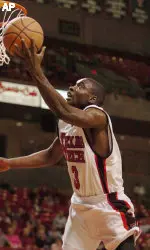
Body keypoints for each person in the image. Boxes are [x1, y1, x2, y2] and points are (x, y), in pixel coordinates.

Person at [0, 40, 140, 250]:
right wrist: (9, 163)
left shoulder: (98, 116)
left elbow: (63, 110)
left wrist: (36, 71)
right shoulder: (65, 123)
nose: (73, 87)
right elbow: (50, 155)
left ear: (92, 98)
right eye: (74, 84)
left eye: (80, 85)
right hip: (80, 207)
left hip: (109, 204)